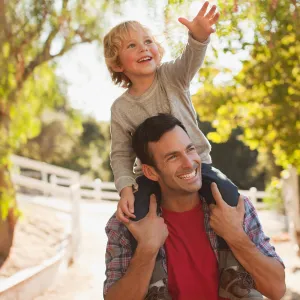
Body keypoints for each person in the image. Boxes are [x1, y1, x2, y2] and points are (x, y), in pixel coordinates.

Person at [103, 2, 255, 298]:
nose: (144, 48)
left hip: (199, 166)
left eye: (148, 41)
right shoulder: (120, 109)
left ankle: (233, 273)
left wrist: (199, 37)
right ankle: (156, 283)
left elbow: (191, 59)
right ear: (118, 64)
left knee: (230, 196)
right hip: (151, 176)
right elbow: (120, 153)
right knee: (138, 216)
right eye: (132, 45)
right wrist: (125, 189)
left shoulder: (173, 77)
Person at [104, 114, 286, 300]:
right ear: (151, 172)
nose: (189, 163)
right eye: (173, 157)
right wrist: (147, 250)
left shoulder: (235, 207)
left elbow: (276, 289)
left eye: (190, 150)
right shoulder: (127, 223)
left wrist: (236, 236)